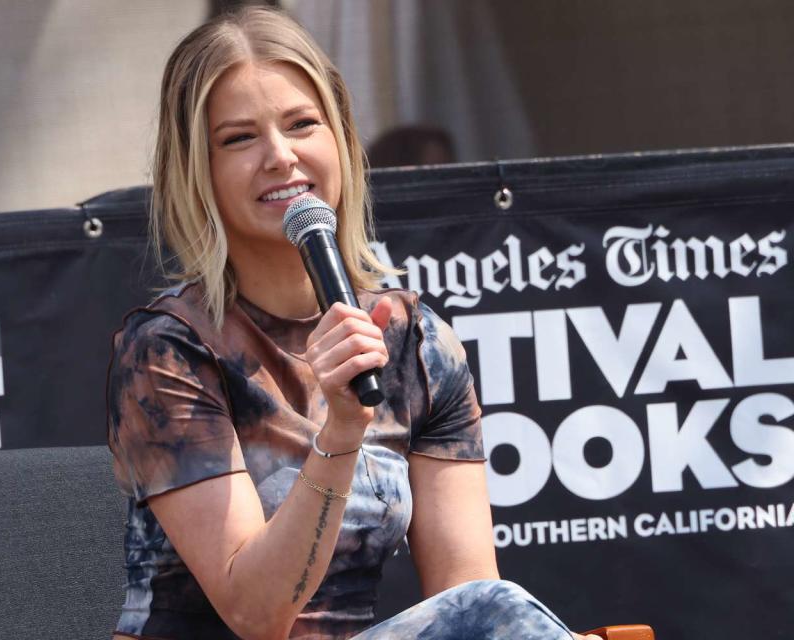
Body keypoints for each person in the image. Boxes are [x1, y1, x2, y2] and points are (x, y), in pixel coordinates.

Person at [107, 7, 596, 640]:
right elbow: (255, 614)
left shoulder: (417, 344)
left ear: (339, 138)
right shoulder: (168, 351)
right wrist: (340, 433)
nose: (280, 157)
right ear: (198, 169)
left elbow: (464, 593)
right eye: (239, 138)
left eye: (302, 124)